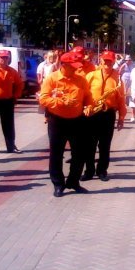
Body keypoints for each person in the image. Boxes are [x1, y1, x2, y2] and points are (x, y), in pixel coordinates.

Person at [38, 52, 93, 197]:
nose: (76, 69)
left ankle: (73, 182)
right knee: (56, 154)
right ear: (64, 65)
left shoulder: (81, 79)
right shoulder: (52, 79)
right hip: (57, 121)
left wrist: (88, 106)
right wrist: (62, 102)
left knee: (79, 153)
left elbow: (88, 96)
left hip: (77, 120)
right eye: (73, 67)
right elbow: (43, 99)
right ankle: (58, 184)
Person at [82, 50, 126, 182]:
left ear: (113, 62)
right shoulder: (91, 75)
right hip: (92, 113)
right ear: (100, 61)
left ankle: (102, 170)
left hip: (108, 114)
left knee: (105, 145)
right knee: (90, 144)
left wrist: (121, 117)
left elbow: (121, 99)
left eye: (110, 61)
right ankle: (89, 171)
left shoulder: (117, 78)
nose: (107, 63)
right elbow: (83, 94)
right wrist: (85, 108)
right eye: (105, 60)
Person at [0, 49, 23, 153]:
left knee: (8, 125)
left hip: (7, 101)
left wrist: (15, 96)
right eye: (2, 57)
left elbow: (19, 84)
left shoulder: (12, 71)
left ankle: (11, 146)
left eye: (6, 57)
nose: (4, 59)